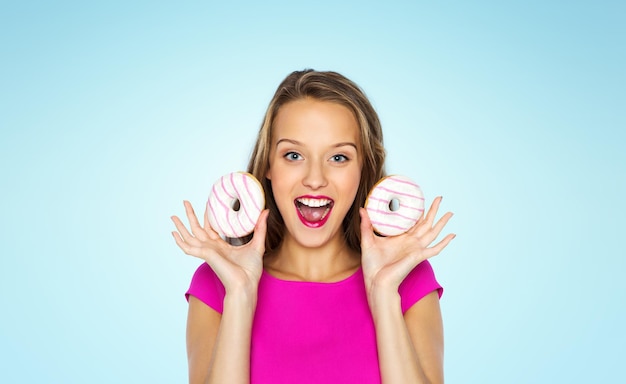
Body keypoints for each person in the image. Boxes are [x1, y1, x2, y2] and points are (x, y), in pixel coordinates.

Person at [171, 69, 455, 384]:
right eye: (293, 155)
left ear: (364, 169)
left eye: (338, 158)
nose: (315, 179)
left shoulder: (408, 280)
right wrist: (239, 293)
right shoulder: (217, 284)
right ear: (268, 165)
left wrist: (385, 293)